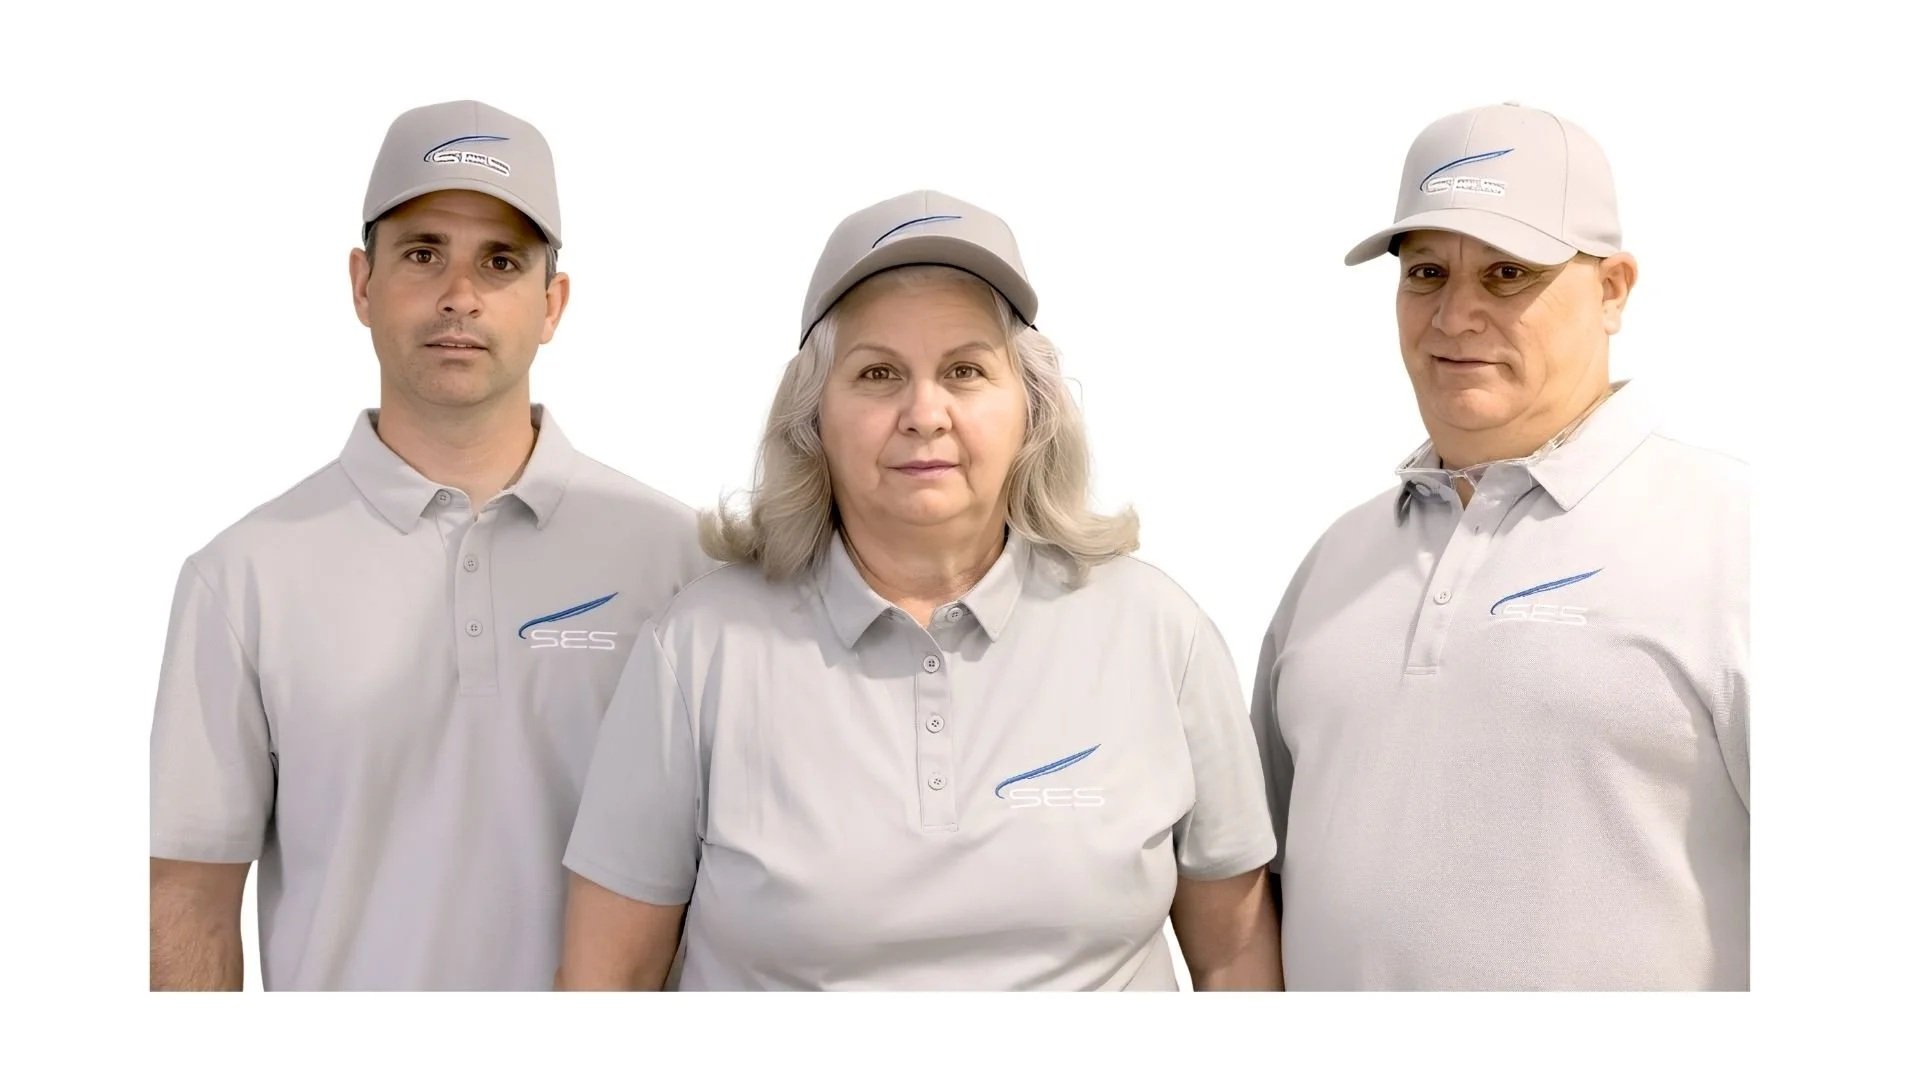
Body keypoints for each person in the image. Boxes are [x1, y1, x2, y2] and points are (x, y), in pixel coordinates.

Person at [555, 191, 1279, 990]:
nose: (922, 413)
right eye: (877, 374)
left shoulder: (1157, 633)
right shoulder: (699, 648)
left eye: (965, 371)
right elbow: (606, 978)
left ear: (1032, 409)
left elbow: (1235, 956)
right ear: (812, 416)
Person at [148, 100, 711, 990]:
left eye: (500, 261)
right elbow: (187, 899)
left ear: (551, 303)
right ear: (362, 285)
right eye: (422, 254)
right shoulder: (242, 577)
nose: (460, 294)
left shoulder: (681, 560)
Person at [1250, 103, 1749, 989]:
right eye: (1427, 272)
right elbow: (1261, 887)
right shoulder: (1335, 562)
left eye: (1509, 273)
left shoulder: (1738, 535)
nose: (1454, 315)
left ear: (1613, 290)